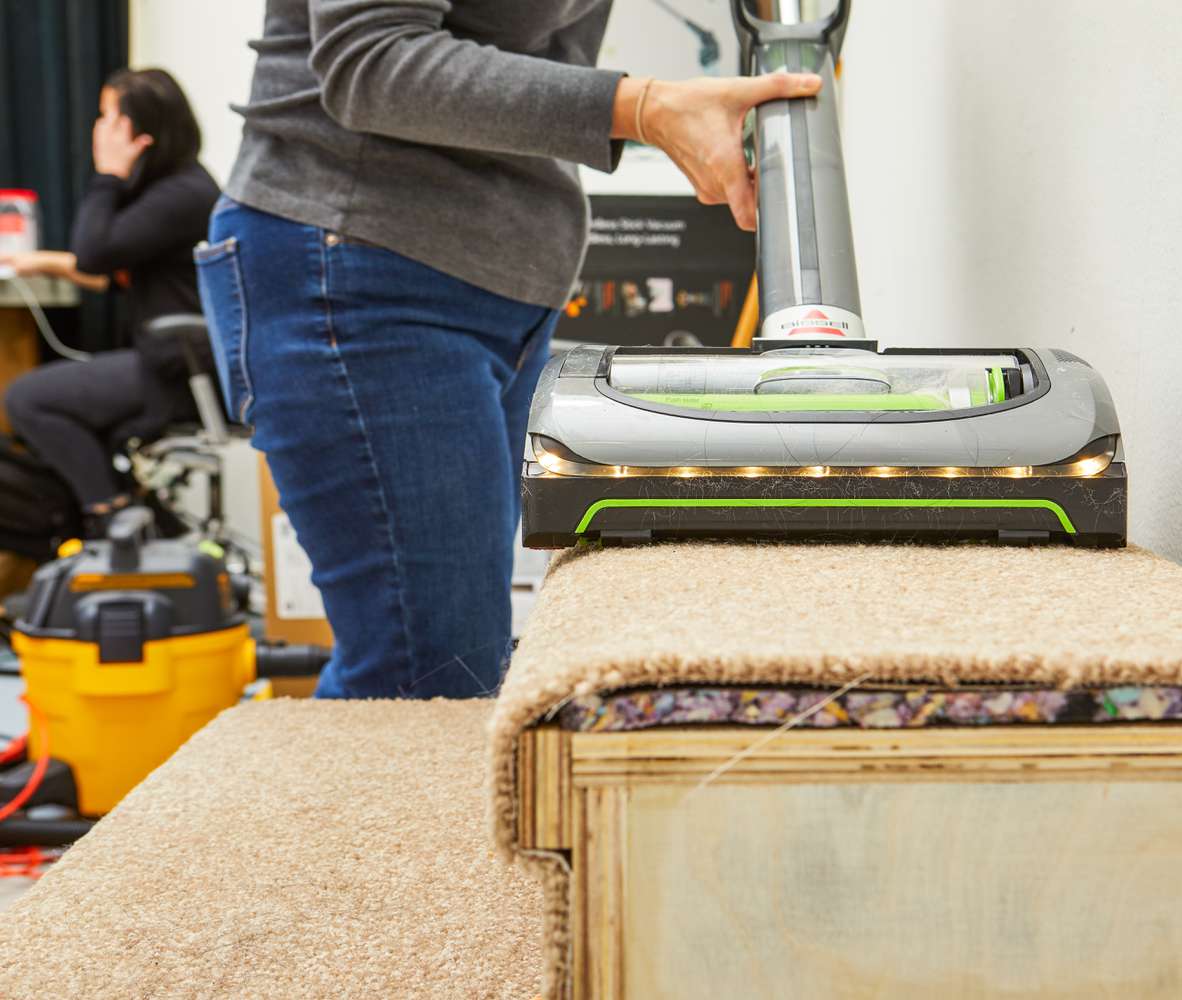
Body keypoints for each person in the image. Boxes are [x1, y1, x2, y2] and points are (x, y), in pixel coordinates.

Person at [204, 1, 819, 700]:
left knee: (457, 662)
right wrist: (646, 108)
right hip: (361, 260)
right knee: (423, 677)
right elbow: (369, 62)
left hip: (495, 288)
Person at [2, 68, 218, 534]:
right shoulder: (180, 189)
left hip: (180, 370)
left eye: (107, 118)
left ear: (141, 132)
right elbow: (107, 270)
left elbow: (94, 255)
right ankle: (134, 522)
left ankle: (115, 520)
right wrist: (43, 262)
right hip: (174, 361)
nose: (98, 130)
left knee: (27, 399)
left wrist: (107, 175)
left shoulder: (184, 194)